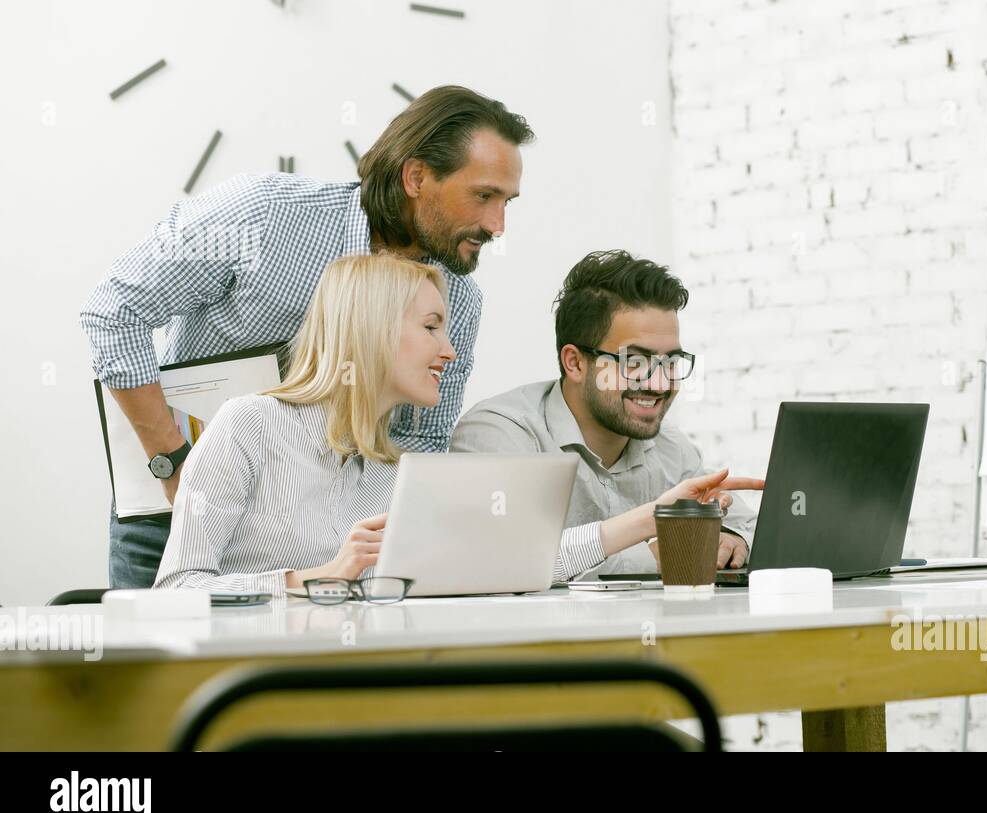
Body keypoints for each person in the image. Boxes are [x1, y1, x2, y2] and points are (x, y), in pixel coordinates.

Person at [82, 85, 532, 588]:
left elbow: (418, 444)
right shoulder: (262, 216)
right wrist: (174, 463)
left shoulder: (459, 302)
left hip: (322, 547)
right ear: (417, 176)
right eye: (484, 196)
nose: (498, 225)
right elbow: (115, 311)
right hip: (171, 512)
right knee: (164, 659)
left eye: (507, 201)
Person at [452, 250, 762, 582]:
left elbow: (751, 523)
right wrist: (654, 555)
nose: (659, 383)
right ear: (574, 363)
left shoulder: (671, 449)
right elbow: (499, 559)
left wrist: (732, 538)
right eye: (634, 362)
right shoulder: (500, 434)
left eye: (670, 362)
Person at [153, 254, 454, 594]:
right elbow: (175, 590)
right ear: (371, 328)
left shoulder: (394, 475)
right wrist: (316, 579)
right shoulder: (248, 426)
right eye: (431, 327)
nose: (449, 351)